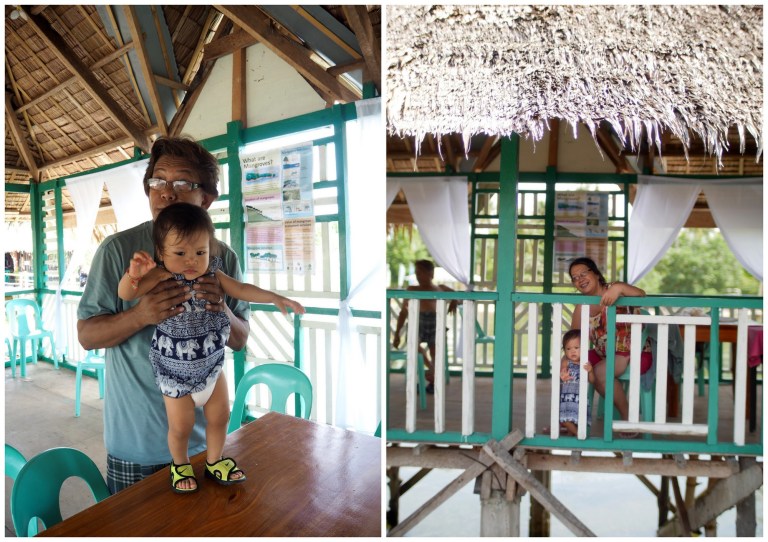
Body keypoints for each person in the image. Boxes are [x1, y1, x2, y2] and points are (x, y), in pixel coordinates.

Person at [78, 136, 252, 494]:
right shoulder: (118, 251)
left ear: (206, 198)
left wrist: (221, 309)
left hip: (204, 443)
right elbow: (87, 335)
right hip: (136, 445)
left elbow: (240, 338)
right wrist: (141, 315)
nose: (166, 193)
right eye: (158, 181)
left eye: (183, 183)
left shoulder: (222, 257)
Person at [117, 203, 305, 493]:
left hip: (212, 367)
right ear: (161, 253)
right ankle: (179, 465)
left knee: (221, 417)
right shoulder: (160, 275)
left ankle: (215, 460)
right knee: (181, 427)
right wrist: (134, 274)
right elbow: (127, 293)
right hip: (174, 373)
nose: (191, 260)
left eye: (200, 252)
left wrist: (274, 297)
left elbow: (242, 290)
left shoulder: (214, 274)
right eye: (180, 253)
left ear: (210, 250)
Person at [568, 256, 650, 427]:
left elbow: (641, 295)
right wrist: (568, 359)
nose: (580, 279)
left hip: (633, 352)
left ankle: (628, 418)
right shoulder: (582, 306)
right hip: (602, 354)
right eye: (575, 278)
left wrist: (618, 287)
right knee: (572, 366)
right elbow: (574, 338)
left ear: (597, 274)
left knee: (599, 373)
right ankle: (571, 419)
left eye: (583, 273)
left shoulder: (614, 289)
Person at [392, 259, 456, 394]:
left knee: (435, 350)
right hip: (418, 323)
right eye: (416, 273)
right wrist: (397, 334)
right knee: (413, 344)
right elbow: (403, 312)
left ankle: (433, 382)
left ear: (431, 273)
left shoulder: (441, 288)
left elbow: (458, 296)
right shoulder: (413, 289)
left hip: (435, 324)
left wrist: (454, 301)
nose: (418, 276)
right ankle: (432, 368)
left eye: (421, 272)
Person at [559, 329, 594, 436]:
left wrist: (591, 371)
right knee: (564, 420)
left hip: (580, 399)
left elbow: (592, 381)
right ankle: (580, 434)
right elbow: (562, 373)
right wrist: (562, 376)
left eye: (576, 348)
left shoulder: (585, 363)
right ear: (564, 350)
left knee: (577, 421)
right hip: (567, 398)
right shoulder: (566, 361)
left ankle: (573, 437)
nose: (572, 351)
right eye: (568, 348)